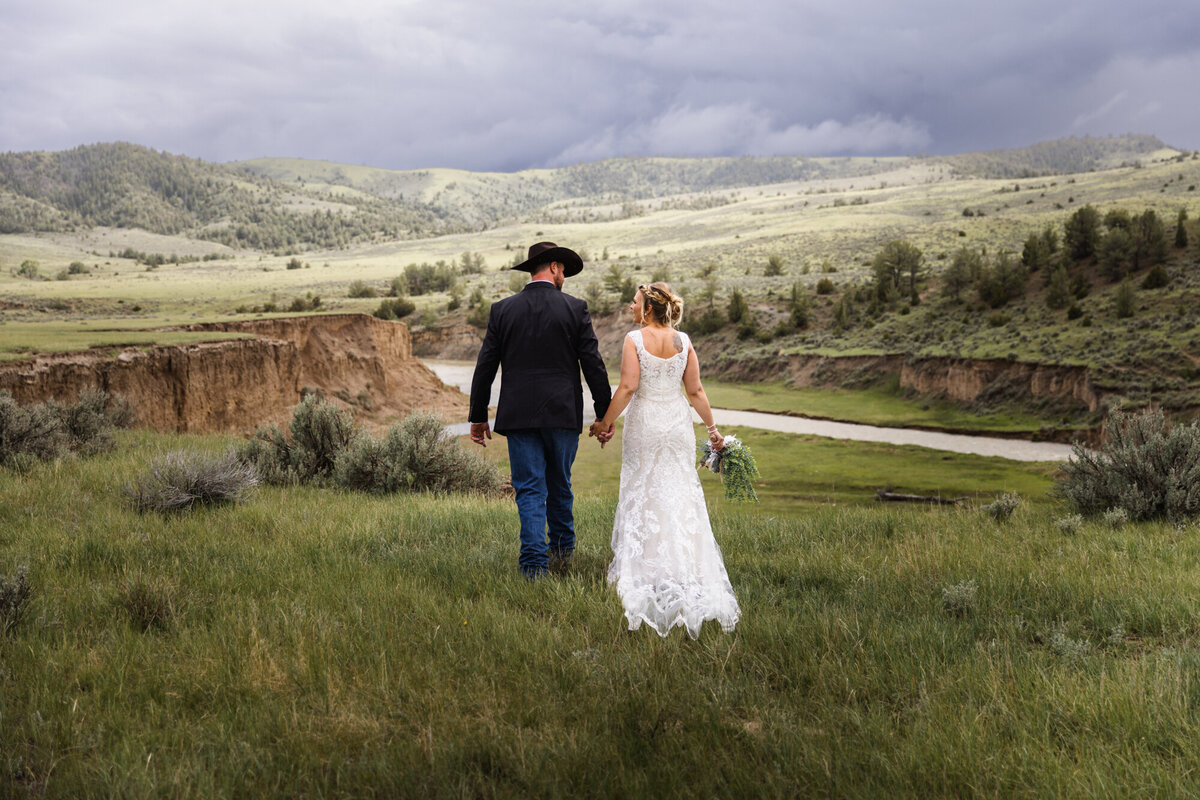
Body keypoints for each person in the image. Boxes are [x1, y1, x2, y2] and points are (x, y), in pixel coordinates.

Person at [589, 282, 739, 637]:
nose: (631, 306)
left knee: (645, 491)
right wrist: (713, 431)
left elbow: (627, 388)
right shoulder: (684, 342)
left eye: (636, 302)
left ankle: (647, 573)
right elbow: (696, 391)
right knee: (680, 493)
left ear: (649, 309)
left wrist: (604, 423)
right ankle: (683, 569)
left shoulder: (634, 340)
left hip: (645, 426)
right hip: (676, 425)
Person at [469, 242, 612, 579]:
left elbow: (485, 367)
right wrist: (604, 416)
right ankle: (562, 555)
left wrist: (478, 416)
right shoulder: (575, 308)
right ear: (552, 267)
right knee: (560, 484)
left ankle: (534, 567)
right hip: (563, 414)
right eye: (562, 269)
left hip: (519, 416)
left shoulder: (502, 310)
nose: (564, 275)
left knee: (530, 489)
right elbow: (593, 365)